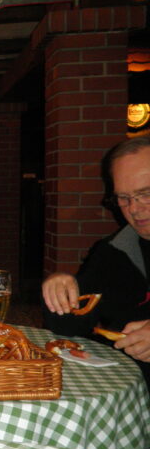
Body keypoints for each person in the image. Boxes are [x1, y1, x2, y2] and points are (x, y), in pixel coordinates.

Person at [42, 137, 150, 369]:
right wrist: (58, 288)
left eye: (145, 193)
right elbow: (68, 328)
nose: (133, 208)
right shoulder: (113, 251)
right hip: (125, 381)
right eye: (124, 198)